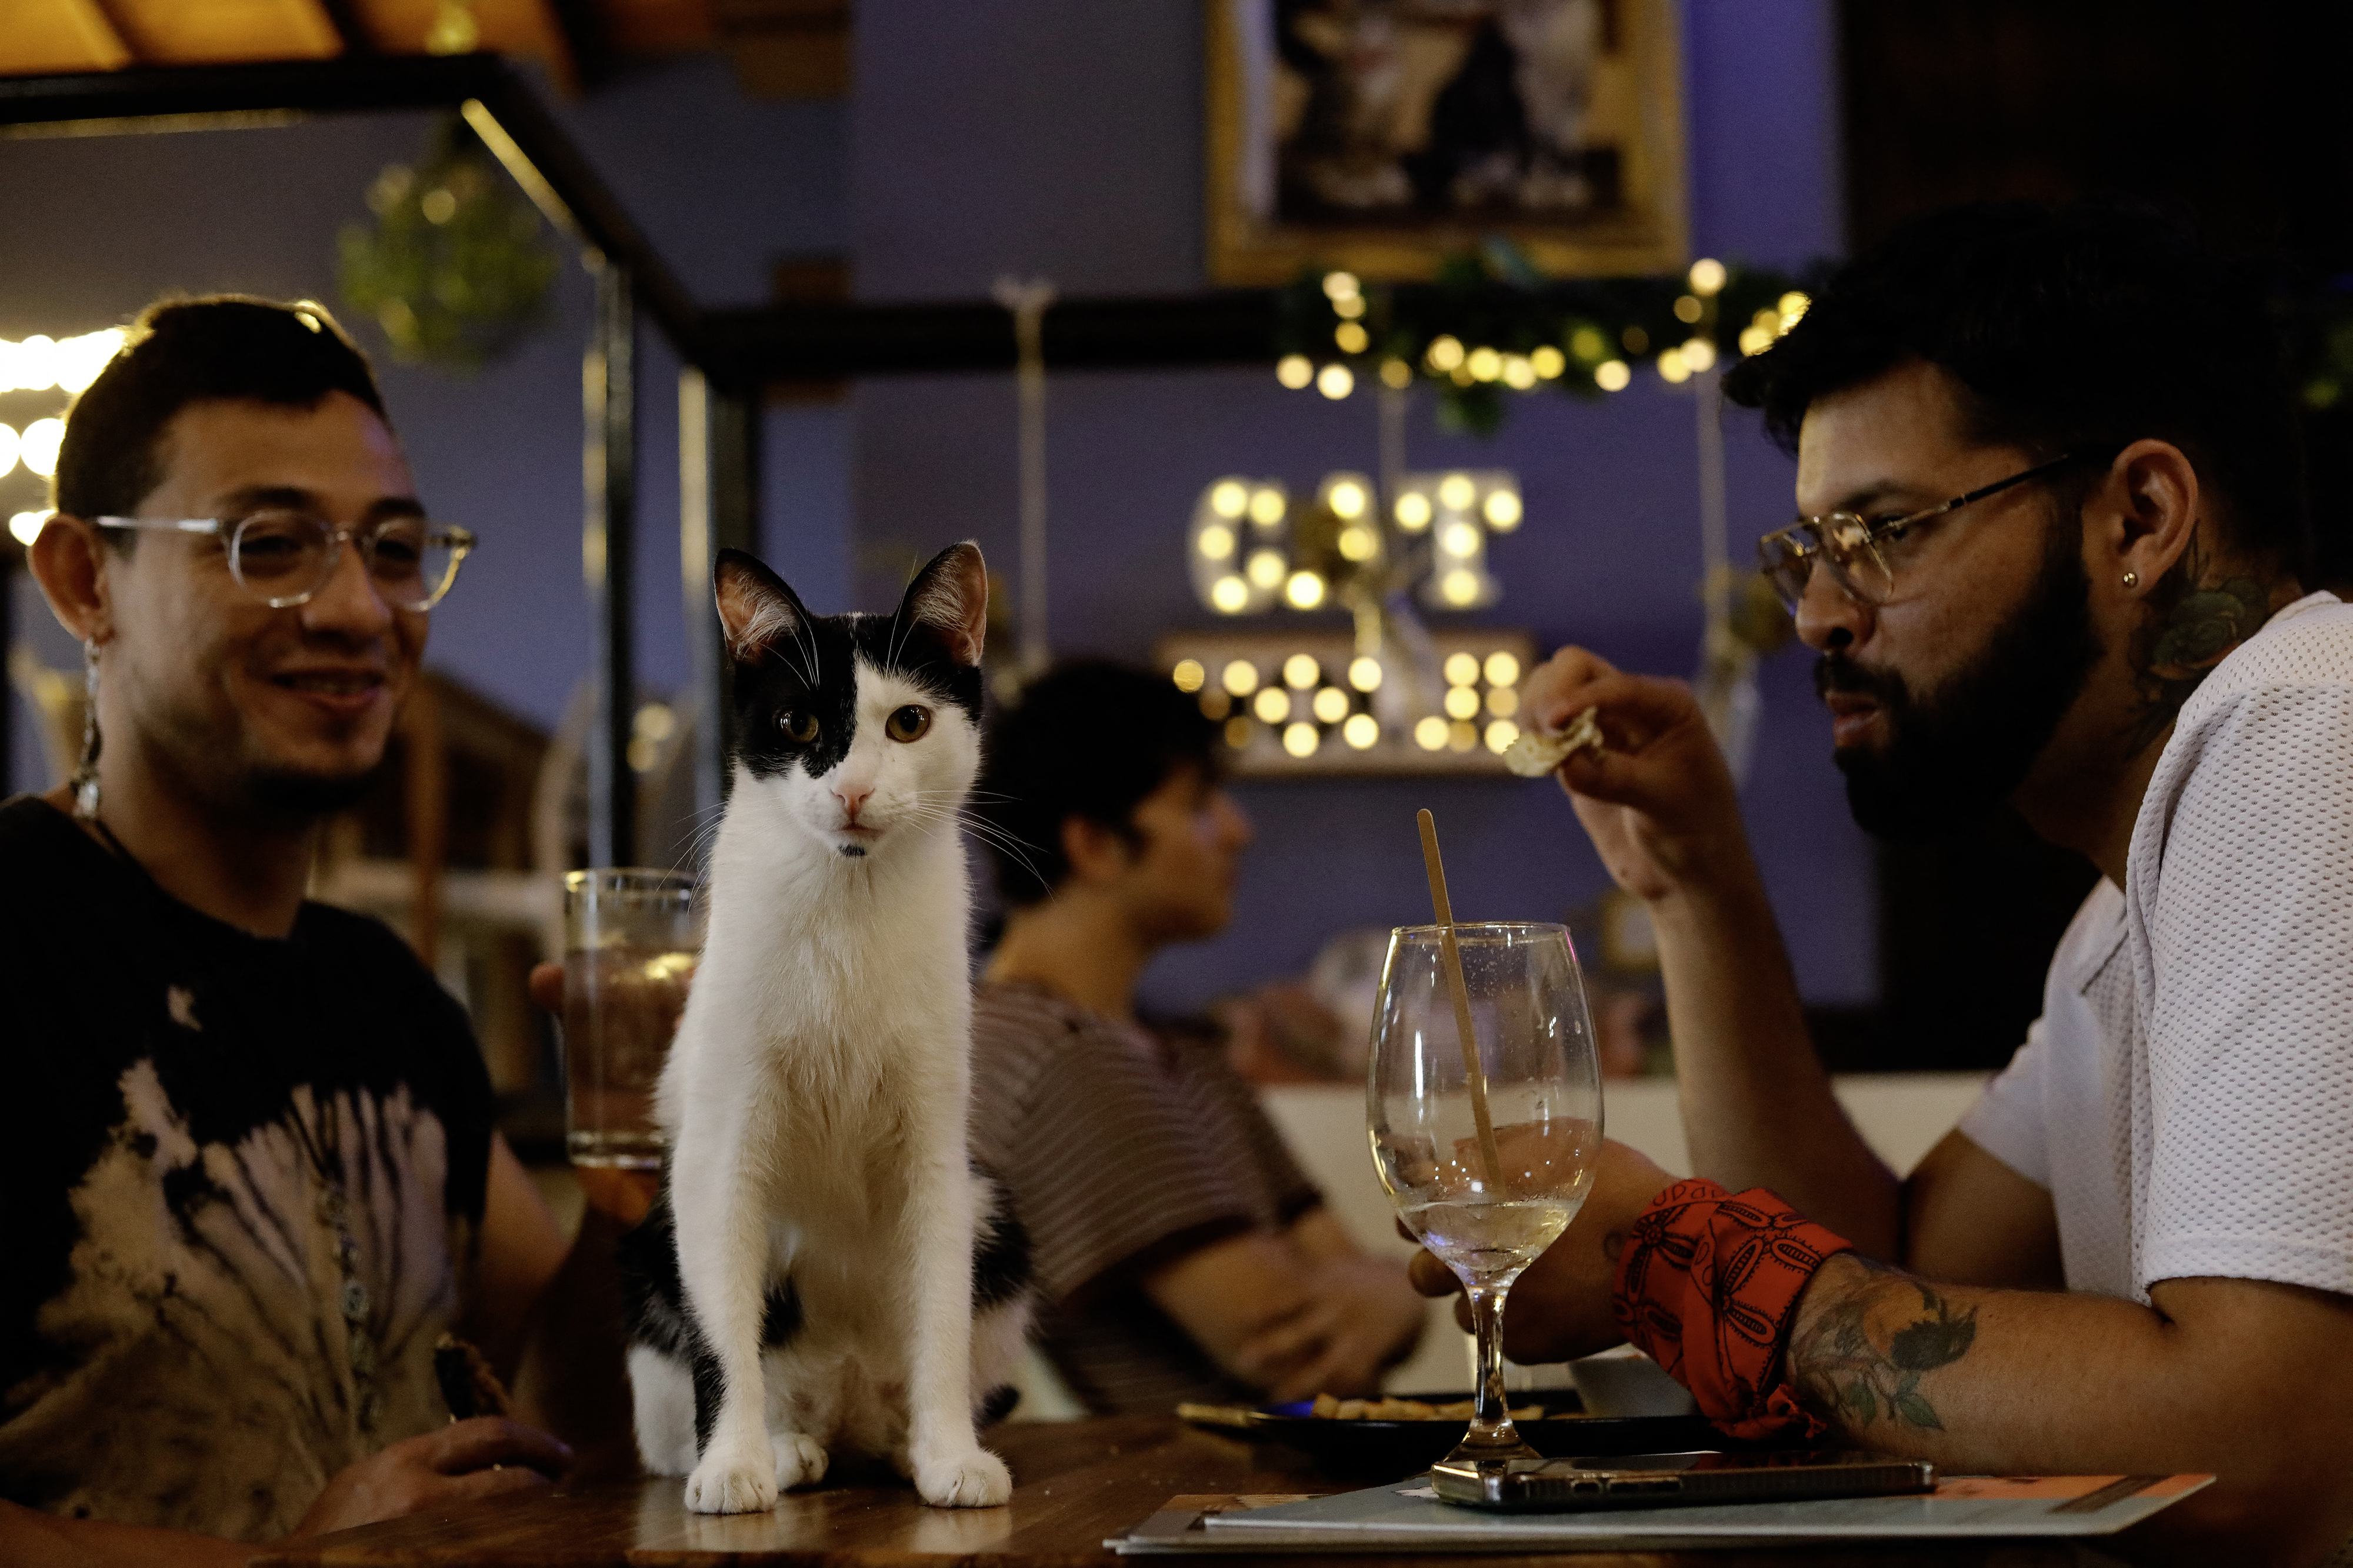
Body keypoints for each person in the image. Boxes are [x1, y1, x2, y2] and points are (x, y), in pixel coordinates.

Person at [1408, 201, 2353, 1564]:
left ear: (2138, 516)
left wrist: (1686, 1258)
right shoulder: (2131, 895)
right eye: (1810, 549)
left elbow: (2265, 1453)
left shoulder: (2305, 734)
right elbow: (1906, 1274)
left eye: (1884, 531)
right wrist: (1694, 880)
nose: (1818, 615)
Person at [0, 297, 637, 1566]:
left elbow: (572, 1422)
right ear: (85, 581)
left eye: (394, 549)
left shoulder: (383, 997)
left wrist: (640, 1199)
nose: (358, 608)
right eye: (271, 544)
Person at [969, 661, 1425, 1414]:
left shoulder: (1181, 1054)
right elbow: (1298, 1352)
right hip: (1200, 1508)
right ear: (1094, 844)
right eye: (1199, 803)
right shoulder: (1056, 1055)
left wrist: (1392, 1295)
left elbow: (1380, 1295)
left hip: (1282, 1495)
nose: (1238, 829)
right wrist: (1388, 1290)